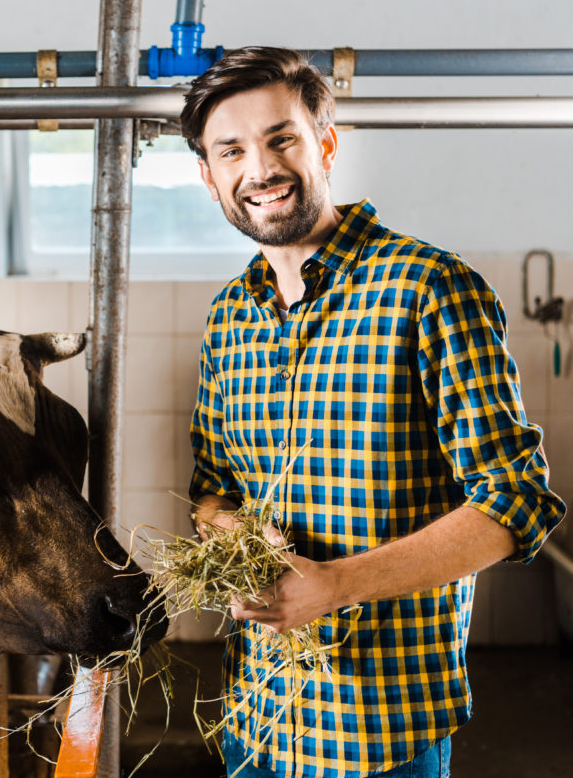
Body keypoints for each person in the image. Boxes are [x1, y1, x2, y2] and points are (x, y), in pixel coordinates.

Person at [181, 46, 565, 778]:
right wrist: (239, 535)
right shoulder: (228, 316)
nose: (258, 169)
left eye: (281, 138)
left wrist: (336, 584)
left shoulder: (430, 289)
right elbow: (210, 491)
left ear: (325, 142)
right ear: (209, 177)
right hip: (255, 719)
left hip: (379, 733)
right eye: (231, 150)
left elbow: (517, 503)